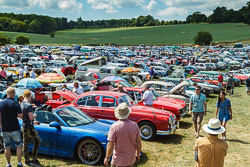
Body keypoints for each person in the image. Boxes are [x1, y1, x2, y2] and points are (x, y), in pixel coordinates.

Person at [104, 102, 141, 167]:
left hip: (118, 161)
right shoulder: (135, 125)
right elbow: (138, 142)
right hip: (131, 159)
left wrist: (107, 157)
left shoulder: (114, 126)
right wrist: (137, 154)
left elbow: (110, 144)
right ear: (128, 113)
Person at [0, 87, 24, 167]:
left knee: (7, 146)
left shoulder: (1, 103)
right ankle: (19, 163)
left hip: (5, 128)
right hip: (15, 128)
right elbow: (21, 116)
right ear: (14, 94)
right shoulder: (16, 103)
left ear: (7, 94)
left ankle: (8, 164)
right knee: (19, 145)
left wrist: (0, 125)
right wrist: (17, 114)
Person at [21, 90, 41, 166]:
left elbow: (22, 115)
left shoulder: (22, 104)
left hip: (24, 125)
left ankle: (27, 160)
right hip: (29, 127)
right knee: (37, 141)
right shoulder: (29, 105)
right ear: (29, 96)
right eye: (31, 97)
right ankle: (34, 160)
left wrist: (33, 121)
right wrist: (35, 115)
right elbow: (31, 117)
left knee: (25, 143)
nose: (31, 98)